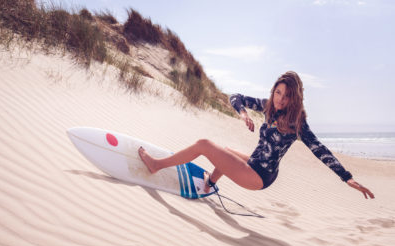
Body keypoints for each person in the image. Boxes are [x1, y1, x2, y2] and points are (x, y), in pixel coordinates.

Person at [138, 71, 374, 199]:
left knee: (204, 145)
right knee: (226, 152)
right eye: (278, 92)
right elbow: (235, 96)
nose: (281, 98)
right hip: (254, 164)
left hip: (260, 176)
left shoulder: (297, 122)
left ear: (295, 98)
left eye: (287, 95)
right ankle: (210, 183)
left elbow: (319, 150)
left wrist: (346, 177)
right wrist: (243, 114)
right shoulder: (269, 105)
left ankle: (157, 165)